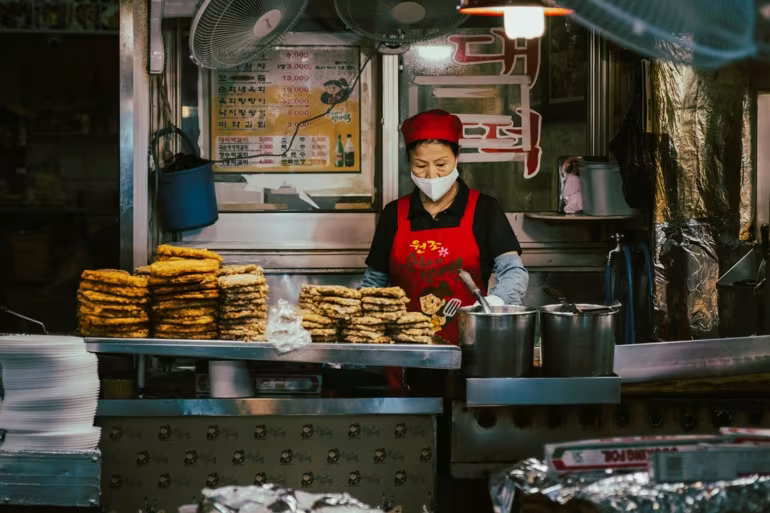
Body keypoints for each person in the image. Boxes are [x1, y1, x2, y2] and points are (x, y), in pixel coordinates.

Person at [362, 109, 529, 345]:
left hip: (468, 346)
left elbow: (513, 271)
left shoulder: (484, 209)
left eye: (441, 164)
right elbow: (374, 284)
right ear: (408, 161)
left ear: (457, 157)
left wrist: (497, 303)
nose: (431, 175)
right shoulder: (394, 214)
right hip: (403, 351)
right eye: (420, 165)